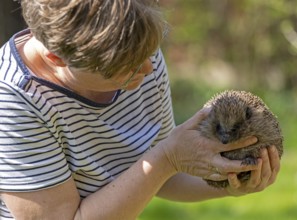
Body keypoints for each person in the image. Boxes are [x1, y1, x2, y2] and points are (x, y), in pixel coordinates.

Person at [0, 0, 280, 219]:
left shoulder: (137, 51)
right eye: (126, 67)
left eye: (149, 53)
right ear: (57, 58)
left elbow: (156, 180)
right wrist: (168, 157)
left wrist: (228, 182)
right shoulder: (14, 101)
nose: (148, 69)